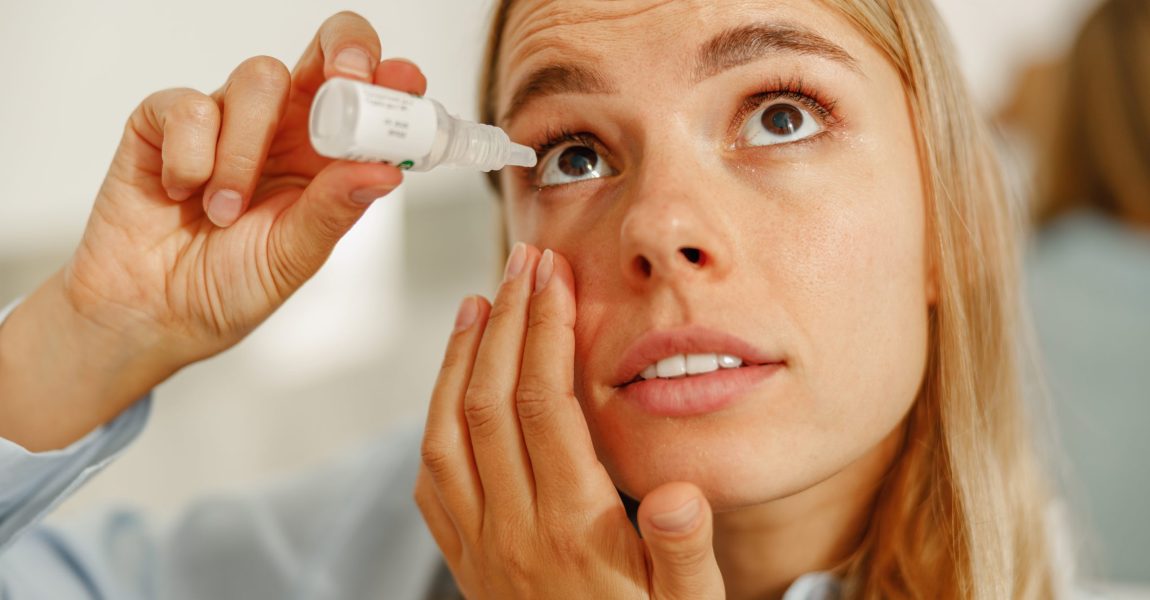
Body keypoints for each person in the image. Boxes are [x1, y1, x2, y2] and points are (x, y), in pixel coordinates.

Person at [0, 1, 1062, 599]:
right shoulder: (382, 534)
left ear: (953, 226)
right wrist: (96, 331)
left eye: (780, 115)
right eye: (576, 152)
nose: (657, 226)